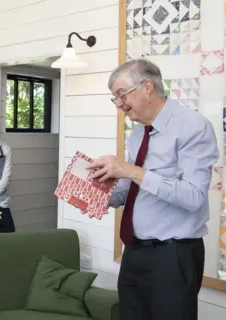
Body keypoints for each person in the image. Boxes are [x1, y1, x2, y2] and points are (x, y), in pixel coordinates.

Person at [87, 59, 219, 320]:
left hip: (173, 256)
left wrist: (129, 170)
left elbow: (194, 196)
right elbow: (130, 189)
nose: (119, 104)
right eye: (114, 98)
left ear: (147, 86)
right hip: (134, 251)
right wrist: (99, 194)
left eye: (121, 95)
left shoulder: (194, 127)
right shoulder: (138, 133)